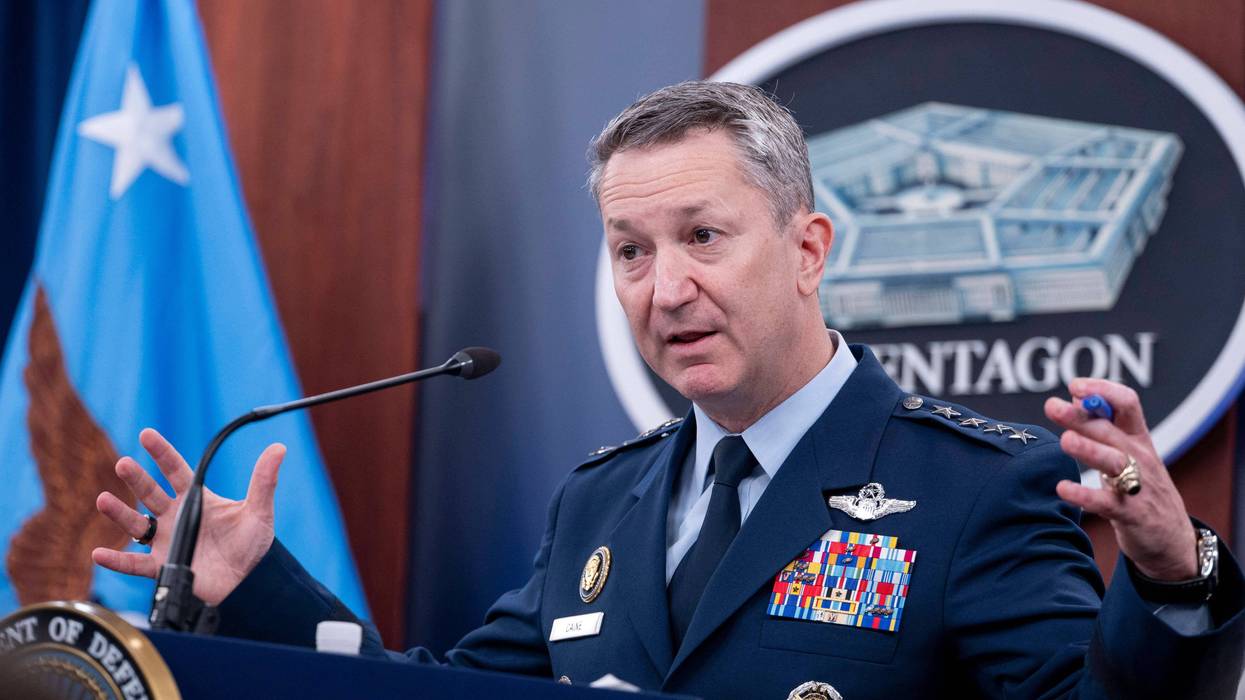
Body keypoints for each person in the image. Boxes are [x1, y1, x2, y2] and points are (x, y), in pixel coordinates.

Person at [93, 81, 1243, 699]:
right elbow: (452, 698)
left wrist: (1171, 574)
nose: (667, 287)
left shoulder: (976, 485)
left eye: (703, 235)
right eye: (631, 251)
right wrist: (255, 584)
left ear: (807, 249)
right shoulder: (601, 500)